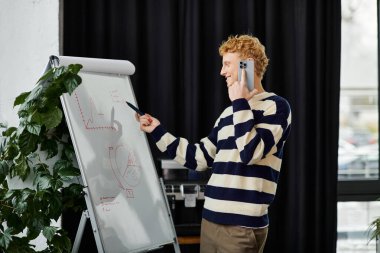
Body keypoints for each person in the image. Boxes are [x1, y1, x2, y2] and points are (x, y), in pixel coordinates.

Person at [136, 34, 292, 253]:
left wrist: (240, 102)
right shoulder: (228, 113)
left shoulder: (276, 107)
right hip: (210, 221)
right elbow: (199, 158)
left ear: (247, 63)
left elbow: (251, 152)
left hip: (242, 227)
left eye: (227, 64)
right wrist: (157, 131)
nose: (222, 72)